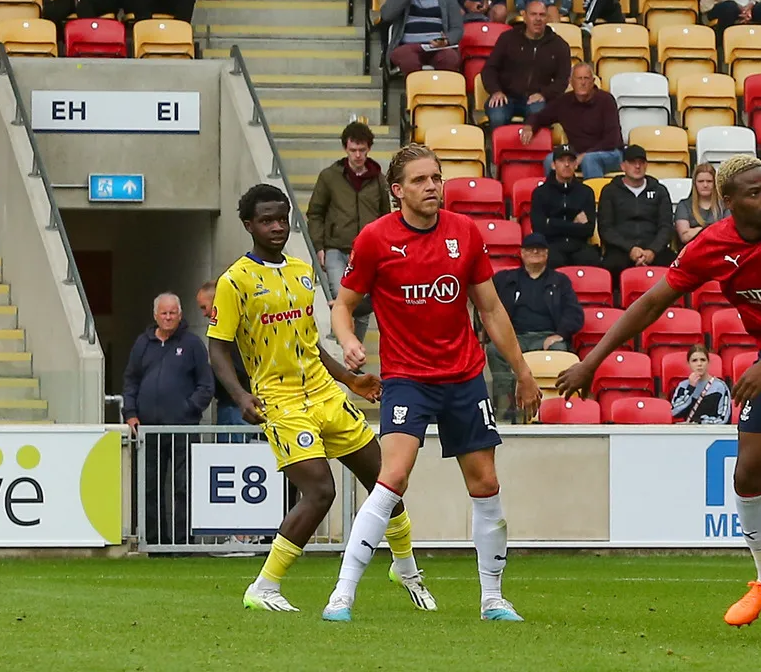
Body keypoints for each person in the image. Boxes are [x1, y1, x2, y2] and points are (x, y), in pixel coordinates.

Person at [555, 154, 761, 642]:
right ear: (728, 201)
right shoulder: (711, 246)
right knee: (746, 476)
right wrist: (593, 360)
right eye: (755, 192)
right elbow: (653, 301)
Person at [324, 144, 541, 622]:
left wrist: (522, 371)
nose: (432, 187)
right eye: (421, 180)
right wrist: (348, 343)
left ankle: (492, 599)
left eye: (437, 178)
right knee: (394, 476)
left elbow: (490, 310)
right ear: (397, 190)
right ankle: (342, 594)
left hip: (464, 377)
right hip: (406, 379)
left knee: (485, 482)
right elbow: (343, 305)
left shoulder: (464, 233)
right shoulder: (376, 239)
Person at [208, 185, 435, 614]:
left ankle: (405, 567)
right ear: (248, 225)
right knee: (319, 491)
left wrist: (349, 379)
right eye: (266, 220)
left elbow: (309, 343)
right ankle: (264, 586)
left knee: (387, 481)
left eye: (282, 218)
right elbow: (217, 347)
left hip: (325, 393)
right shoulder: (234, 280)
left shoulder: (301, 271)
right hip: (281, 400)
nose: (276, 227)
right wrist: (240, 395)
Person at [122, 292, 213, 547]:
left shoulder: (193, 344)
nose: (168, 317)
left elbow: (206, 385)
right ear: (155, 315)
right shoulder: (142, 344)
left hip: (182, 429)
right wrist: (130, 414)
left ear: (180, 314)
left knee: (184, 487)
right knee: (150, 487)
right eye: (164, 313)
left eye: (173, 312)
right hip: (148, 430)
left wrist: (188, 410)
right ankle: (155, 542)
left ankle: (183, 543)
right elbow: (131, 381)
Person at [487, 234, 584, 423]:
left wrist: (560, 334)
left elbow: (574, 313)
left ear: (547, 254)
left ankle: (555, 408)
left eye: (540, 248)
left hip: (547, 338)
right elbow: (486, 303)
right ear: (521, 253)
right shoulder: (506, 279)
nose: (535, 252)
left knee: (560, 350)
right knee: (493, 349)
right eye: (530, 248)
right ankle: (506, 404)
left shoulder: (560, 281)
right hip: (514, 338)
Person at [306, 121, 387, 342]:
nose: (358, 155)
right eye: (353, 150)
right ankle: (340, 345)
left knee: (361, 306)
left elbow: (385, 217)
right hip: (336, 248)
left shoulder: (378, 179)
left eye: (362, 150)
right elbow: (315, 213)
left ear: (369, 149)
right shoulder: (329, 177)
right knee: (339, 297)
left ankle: (353, 352)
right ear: (345, 149)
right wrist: (319, 246)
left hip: (367, 253)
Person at [480, 0, 571, 132]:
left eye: (542, 15)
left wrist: (544, 94)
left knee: (539, 114)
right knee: (497, 116)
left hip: (538, 98)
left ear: (547, 18)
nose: (538, 19)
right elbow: (489, 69)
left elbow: (562, 80)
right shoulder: (507, 38)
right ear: (524, 16)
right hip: (506, 96)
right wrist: (496, 91)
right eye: (533, 14)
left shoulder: (560, 46)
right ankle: (498, 151)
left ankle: (534, 152)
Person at [529, 63, 622, 178]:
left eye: (586, 78)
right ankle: (556, 194)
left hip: (610, 153)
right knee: (550, 160)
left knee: (589, 160)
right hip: (577, 154)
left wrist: (586, 154)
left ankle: (594, 195)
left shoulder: (606, 100)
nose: (582, 83)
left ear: (593, 81)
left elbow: (611, 140)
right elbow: (540, 117)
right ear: (571, 81)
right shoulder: (564, 102)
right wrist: (530, 126)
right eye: (579, 78)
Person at [597, 145, 676, 272]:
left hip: (654, 249)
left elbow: (666, 226)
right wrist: (630, 248)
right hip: (621, 250)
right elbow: (606, 228)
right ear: (623, 166)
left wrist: (652, 250)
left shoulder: (660, 191)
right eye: (632, 162)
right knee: (610, 266)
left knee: (675, 267)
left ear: (646, 165)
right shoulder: (610, 191)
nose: (637, 166)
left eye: (641, 162)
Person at [193, 280, 250, 435]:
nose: (204, 313)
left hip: (237, 407)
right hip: (234, 405)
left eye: (204, 307)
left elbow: (240, 368)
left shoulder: (235, 330)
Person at [529, 146, 601, 267]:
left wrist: (551, 222)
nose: (566, 164)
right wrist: (574, 224)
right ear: (553, 165)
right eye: (562, 160)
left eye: (570, 161)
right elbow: (539, 228)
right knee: (552, 261)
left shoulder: (586, 192)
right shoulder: (540, 193)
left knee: (592, 260)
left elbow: (588, 229)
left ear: (576, 165)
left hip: (579, 246)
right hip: (552, 246)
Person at [669, 343, 733, 424]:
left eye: (703, 360)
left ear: (708, 362)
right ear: (688, 364)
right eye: (694, 360)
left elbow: (724, 419)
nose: (699, 364)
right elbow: (674, 412)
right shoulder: (683, 386)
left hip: (712, 433)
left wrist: (700, 422)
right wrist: (690, 388)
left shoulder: (720, 387)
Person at [674, 162, 725, 246]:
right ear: (695, 183)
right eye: (701, 181)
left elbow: (728, 234)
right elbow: (685, 237)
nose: (705, 185)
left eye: (709, 181)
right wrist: (713, 230)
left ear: (715, 183)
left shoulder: (724, 205)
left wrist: (696, 230)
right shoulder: (684, 205)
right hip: (692, 251)